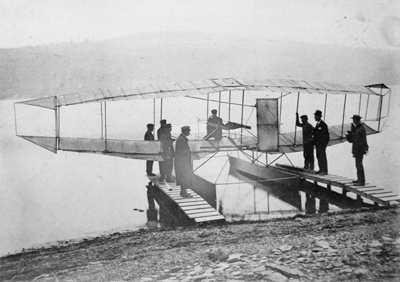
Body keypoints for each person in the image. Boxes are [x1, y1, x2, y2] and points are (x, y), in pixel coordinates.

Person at [347, 115, 369, 186]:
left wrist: (364, 148)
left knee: (359, 165)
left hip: (359, 149)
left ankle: (361, 181)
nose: (353, 121)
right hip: (358, 149)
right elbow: (353, 140)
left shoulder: (360, 129)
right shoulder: (358, 128)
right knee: (358, 164)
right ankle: (360, 179)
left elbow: (362, 140)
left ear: (356, 120)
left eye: (353, 120)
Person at [174, 126, 193, 197]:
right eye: (188, 131)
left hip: (182, 161)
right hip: (182, 162)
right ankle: (183, 193)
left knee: (183, 176)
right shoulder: (182, 139)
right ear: (184, 131)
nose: (189, 132)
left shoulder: (181, 138)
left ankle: (183, 192)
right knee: (184, 176)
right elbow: (183, 152)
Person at [313, 110, 330, 175]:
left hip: (321, 145)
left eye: (315, 116)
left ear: (319, 116)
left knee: (322, 157)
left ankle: (324, 171)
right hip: (318, 144)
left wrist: (323, 145)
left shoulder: (323, 125)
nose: (314, 117)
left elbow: (326, 136)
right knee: (318, 156)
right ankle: (321, 169)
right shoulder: (317, 124)